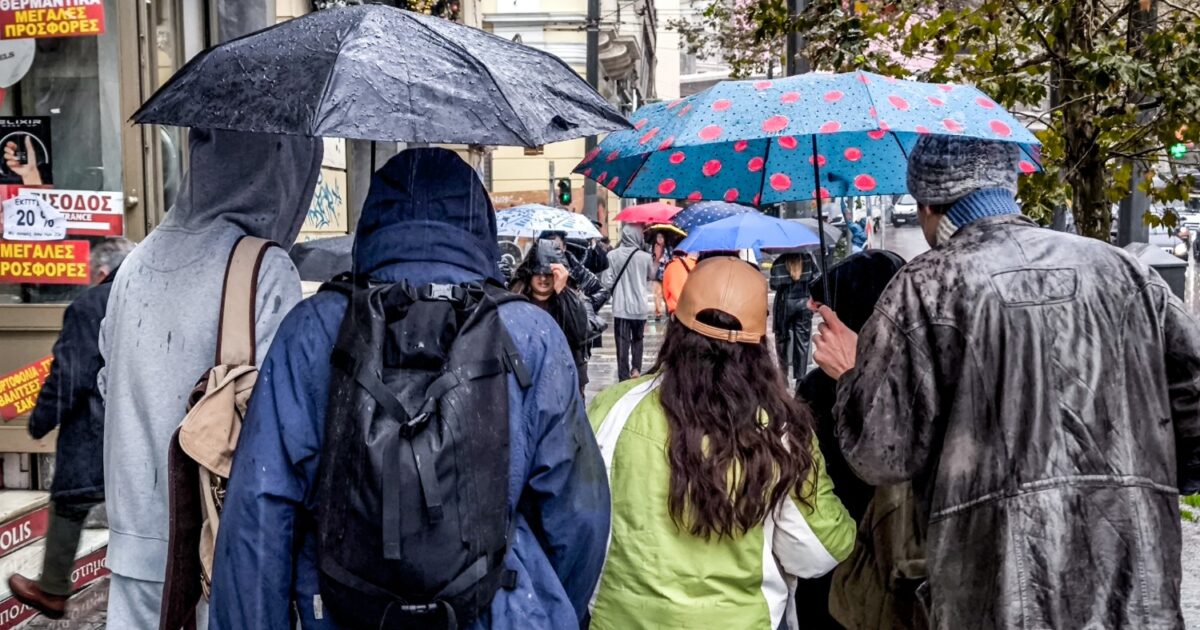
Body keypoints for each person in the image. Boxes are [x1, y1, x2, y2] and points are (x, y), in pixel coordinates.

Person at [209, 148, 609, 629]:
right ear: (480, 224)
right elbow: (579, 513)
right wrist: (542, 603)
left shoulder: (312, 329)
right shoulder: (531, 334)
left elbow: (260, 507)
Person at [812, 135, 1200, 628]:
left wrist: (851, 374)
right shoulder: (1127, 272)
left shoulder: (925, 286)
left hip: (993, 587)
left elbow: (881, 455)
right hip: (1133, 579)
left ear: (927, 205)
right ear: (1008, 187)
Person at [99, 129, 321, 627]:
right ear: (280, 171)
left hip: (133, 538)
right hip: (220, 543)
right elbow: (280, 423)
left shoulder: (134, 264)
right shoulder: (264, 265)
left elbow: (107, 387)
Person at [587, 257, 855, 629]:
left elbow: (575, 526)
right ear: (761, 341)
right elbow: (817, 552)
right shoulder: (781, 429)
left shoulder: (613, 407)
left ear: (676, 326)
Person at [7, 237, 134, 619]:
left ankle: (53, 588)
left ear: (100, 272)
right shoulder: (151, 297)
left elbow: (69, 375)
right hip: (142, 428)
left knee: (70, 498)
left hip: (96, 430)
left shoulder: (90, 305)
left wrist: (41, 420)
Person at [792, 249, 917, 630]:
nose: (820, 330)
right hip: (843, 570)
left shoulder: (911, 390)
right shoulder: (816, 387)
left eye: (829, 316)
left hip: (861, 570)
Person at [509, 240, 592, 390]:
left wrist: (563, 292)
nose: (543, 279)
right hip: (527, 380)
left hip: (564, 382)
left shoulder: (572, 299)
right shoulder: (516, 300)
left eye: (549, 274)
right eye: (538, 273)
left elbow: (579, 333)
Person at [601, 224, 653, 381]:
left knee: (622, 343)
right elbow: (650, 276)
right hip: (640, 307)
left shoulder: (612, 256)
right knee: (638, 339)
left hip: (621, 307)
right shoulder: (646, 257)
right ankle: (636, 369)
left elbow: (607, 281)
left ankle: (623, 376)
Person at [770, 252, 814, 381]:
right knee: (802, 342)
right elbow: (816, 277)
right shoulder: (808, 259)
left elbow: (774, 285)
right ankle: (801, 378)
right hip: (804, 304)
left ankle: (783, 378)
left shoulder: (779, 261)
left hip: (784, 305)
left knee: (782, 340)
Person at [660, 249, 696, 314]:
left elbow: (665, 293)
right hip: (692, 307)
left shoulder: (670, 266)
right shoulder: (694, 263)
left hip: (675, 309)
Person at [649, 231, 668, 320]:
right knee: (657, 294)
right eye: (658, 237)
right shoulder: (652, 248)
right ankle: (658, 312)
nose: (660, 239)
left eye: (661, 237)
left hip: (666, 273)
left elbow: (670, 259)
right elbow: (649, 259)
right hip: (656, 273)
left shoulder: (668, 248)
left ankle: (669, 309)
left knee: (666, 293)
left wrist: (664, 259)